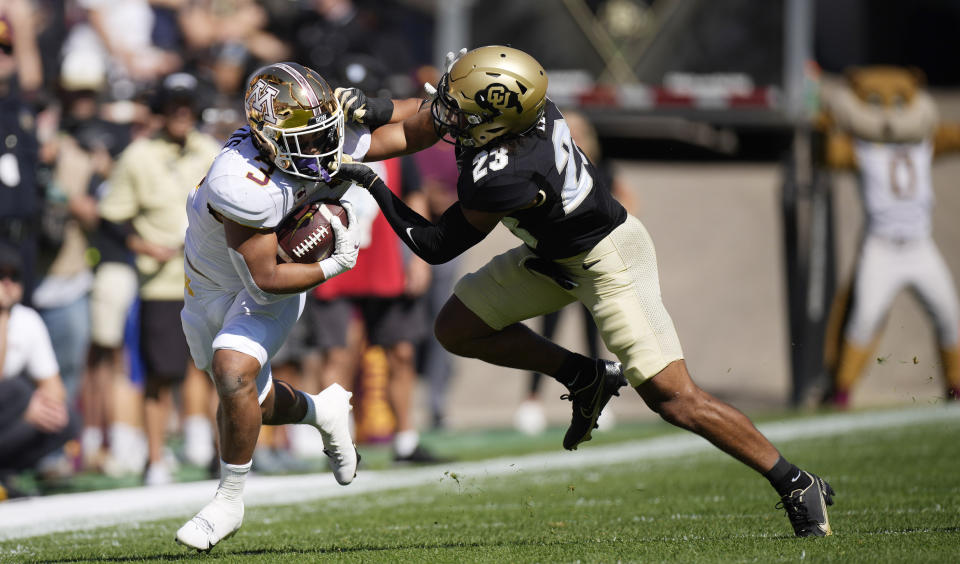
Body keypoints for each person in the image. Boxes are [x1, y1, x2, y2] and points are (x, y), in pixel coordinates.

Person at [330, 45, 835, 538]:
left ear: (494, 120)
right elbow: (431, 117)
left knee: (675, 399)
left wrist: (370, 182)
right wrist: (371, 114)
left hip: (607, 260)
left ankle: (794, 481)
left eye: (460, 104)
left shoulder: (506, 175)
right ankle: (584, 375)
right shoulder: (526, 109)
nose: (447, 108)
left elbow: (436, 244)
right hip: (552, 253)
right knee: (457, 327)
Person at [174, 62, 363, 552]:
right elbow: (265, 268)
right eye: (304, 134)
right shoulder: (238, 181)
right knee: (244, 400)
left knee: (231, 371)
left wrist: (447, 113)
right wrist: (335, 264)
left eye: (321, 132)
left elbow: (401, 132)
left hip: (263, 291)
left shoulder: (314, 146)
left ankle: (229, 500)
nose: (318, 146)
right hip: (214, 287)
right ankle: (322, 410)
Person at [98, 72, 221, 486]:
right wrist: (140, 244)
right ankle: (154, 460)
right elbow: (111, 217)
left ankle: (216, 452)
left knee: (219, 367)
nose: (181, 113)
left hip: (210, 279)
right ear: (161, 110)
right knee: (161, 371)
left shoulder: (212, 151)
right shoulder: (137, 156)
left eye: (187, 105)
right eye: (173, 105)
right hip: (162, 283)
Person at [0, 243, 80, 500]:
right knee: (18, 391)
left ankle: (4, 473)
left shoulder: (27, 320)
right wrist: (2, 316)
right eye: (1, 276)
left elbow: (54, 391)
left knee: (65, 418)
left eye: (14, 277)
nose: (8, 283)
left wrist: (36, 407)